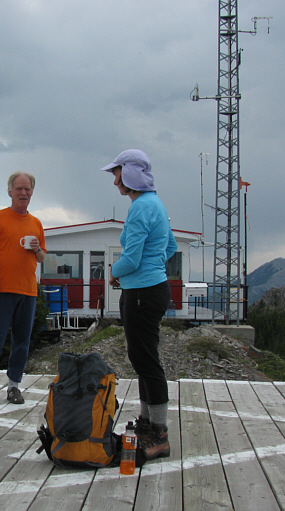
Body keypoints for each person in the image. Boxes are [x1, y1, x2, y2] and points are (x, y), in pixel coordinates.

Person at [102, 149, 177, 461]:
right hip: (152, 288)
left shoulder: (139, 207)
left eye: (117, 173)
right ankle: (149, 424)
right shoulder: (154, 204)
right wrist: (152, 267)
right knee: (144, 358)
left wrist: (113, 273)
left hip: (142, 293)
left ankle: (158, 434)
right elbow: (170, 246)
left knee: (146, 361)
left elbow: (130, 259)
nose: (115, 180)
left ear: (130, 173)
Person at [0, 172, 46, 407]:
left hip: (28, 291)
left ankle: (14, 386)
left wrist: (36, 249)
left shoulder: (36, 223)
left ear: (32, 192)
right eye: (19, 189)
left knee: (22, 340)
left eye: (27, 189)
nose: (23, 193)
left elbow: (42, 257)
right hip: (2, 290)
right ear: (10, 191)